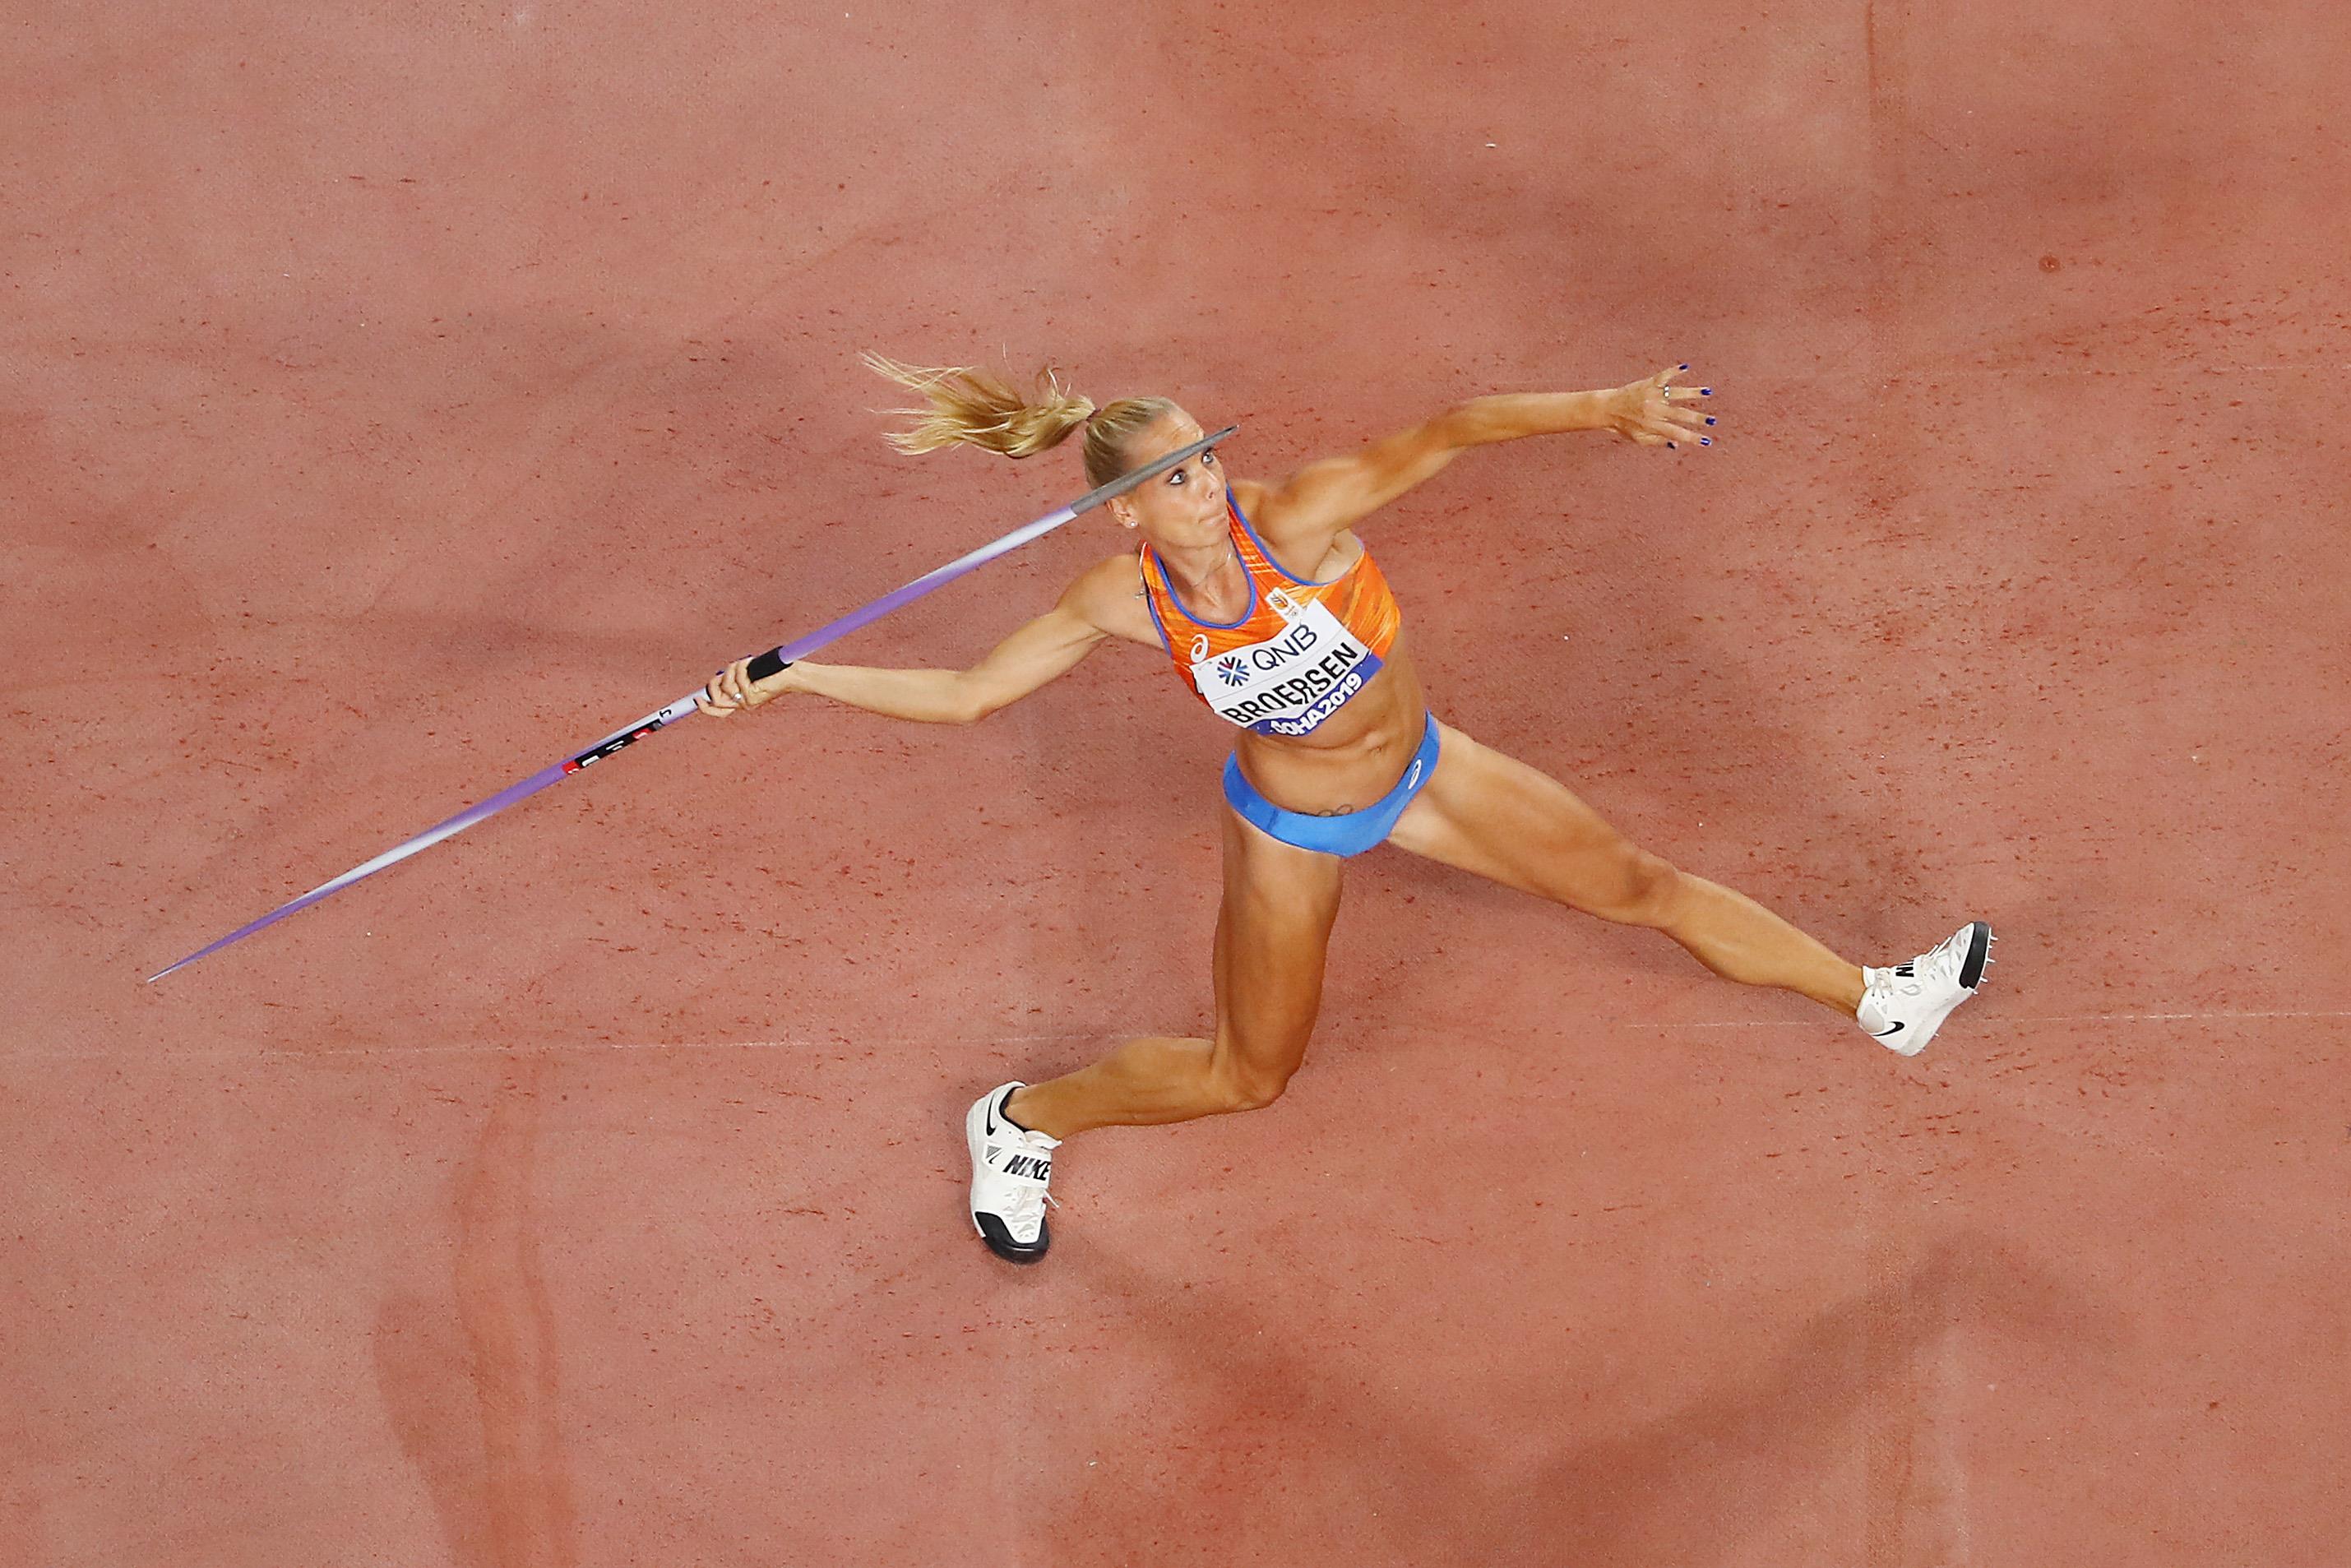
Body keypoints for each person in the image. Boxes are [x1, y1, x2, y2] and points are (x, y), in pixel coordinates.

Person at [697, 356, 1994, 1263]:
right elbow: (973, 696)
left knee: (1640, 884)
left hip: (1425, 774)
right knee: (1246, 1078)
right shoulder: (1120, 603)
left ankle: (1878, 995)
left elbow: (1446, 432)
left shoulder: (1299, 520)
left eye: (1209, 455)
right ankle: (1022, 1121)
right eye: (1181, 476)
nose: (1210, 480)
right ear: (1130, 509)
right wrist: (801, 680)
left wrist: (1611, 407)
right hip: (1290, 835)